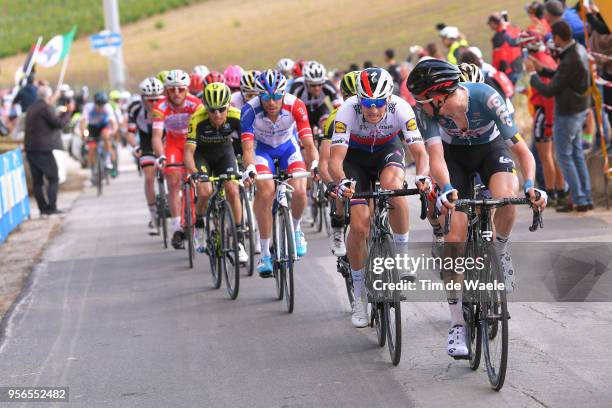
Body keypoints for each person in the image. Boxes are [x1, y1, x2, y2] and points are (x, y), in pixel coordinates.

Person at [406, 59, 546, 356]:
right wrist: (446, 190)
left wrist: (532, 184)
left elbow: (522, 150)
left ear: (440, 94)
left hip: (490, 152)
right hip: (453, 157)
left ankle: (500, 249)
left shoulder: (486, 97)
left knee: (507, 198)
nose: (419, 104)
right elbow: (436, 157)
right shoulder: (428, 112)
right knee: (455, 238)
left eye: (422, 99)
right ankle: (457, 324)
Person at [329, 68, 430, 327]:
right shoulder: (347, 111)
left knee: (394, 190)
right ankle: (360, 298)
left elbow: (420, 153)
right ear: (358, 100)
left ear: (389, 99)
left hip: (387, 151)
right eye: (367, 103)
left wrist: (422, 177)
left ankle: (402, 256)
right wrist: (342, 183)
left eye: (378, 104)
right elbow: (336, 160)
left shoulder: (402, 108)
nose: (373, 110)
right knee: (360, 225)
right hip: (355, 160)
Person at [240, 70, 319, 276]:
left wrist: (316, 164)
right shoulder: (249, 110)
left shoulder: (296, 105)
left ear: (283, 94)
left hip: (288, 148)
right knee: (266, 192)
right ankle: (265, 253)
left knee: (300, 188)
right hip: (262, 150)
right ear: (259, 96)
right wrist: (249, 169)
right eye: (265, 96)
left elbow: (308, 144)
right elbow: (247, 148)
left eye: (276, 96)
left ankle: (296, 229)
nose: (271, 101)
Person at [525, 20, 593, 212]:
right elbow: (562, 76)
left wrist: (532, 75)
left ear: (556, 36)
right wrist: (543, 69)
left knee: (564, 156)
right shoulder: (577, 50)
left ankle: (578, 199)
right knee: (577, 154)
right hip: (579, 109)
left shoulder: (571, 57)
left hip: (568, 112)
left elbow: (549, 90)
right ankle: (584, 197)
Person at [185, 82, 248, 262]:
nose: (217, 114)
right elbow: (188, 152)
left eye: (221, 109)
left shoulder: (237, 116)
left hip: (224, 153)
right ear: (206, 107)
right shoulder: (197, 119)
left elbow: (247, 145)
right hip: (202, 156)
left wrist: (247, 165)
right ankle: (199, 224)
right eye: (212, 110)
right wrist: (194, 173)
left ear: (229, 104)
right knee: (204, 191)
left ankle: (239, 241)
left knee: (233, 190)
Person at [152, 69, 203, 249]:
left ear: (187, 89)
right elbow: (157, 136)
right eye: (172, 90)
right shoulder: (161, 107)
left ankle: (193, 218)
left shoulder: (196, 104)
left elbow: (202, 131)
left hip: (192, 142)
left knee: (193, 179)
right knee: (173, 181)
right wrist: (162, 157)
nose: (176, 94)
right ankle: (176, 228)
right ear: (166, 90)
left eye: (180, 89)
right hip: (173, 142)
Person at [518, 31, 566, 206]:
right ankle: (559, 191)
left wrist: (548, 122)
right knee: (552, 156)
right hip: (546, 111)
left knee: (547, 156)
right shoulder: (544, 58)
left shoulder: (537, 62)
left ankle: (552, 192)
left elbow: (548, 95)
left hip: (545, 112)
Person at [320, 71, 359, 256]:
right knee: (341, 190)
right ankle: (338, 227)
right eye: (349, 97)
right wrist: (331, 185)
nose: (354, 102)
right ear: (342, 97)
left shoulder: (374, 111)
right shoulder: (335, 118)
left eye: (357, 96)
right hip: (343, 159)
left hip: (365, 156)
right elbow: (325, 160)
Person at [24, 85, 73, 215]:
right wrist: (68, 112)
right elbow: (58, 124)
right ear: (49, 96)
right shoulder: (45, 108)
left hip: (30, 148)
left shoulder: (32, 107)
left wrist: (62, 113)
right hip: (42, 149)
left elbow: (51, 120)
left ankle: (43, 208)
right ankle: (51, 207)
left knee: (37, 181)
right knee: (53, 177)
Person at [127, 77, 165, 232]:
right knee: (149, 177)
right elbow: (129, 133)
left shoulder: (166, 105)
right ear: (142, 98)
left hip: (165, 138)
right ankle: (154, 214)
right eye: (150, 100)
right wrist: (135, 146)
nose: (154, 103)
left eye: (157, 99)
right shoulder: (135, 109)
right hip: (146, 142)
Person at [289, 61, 342, 132]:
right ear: (306, 82)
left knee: (328, 129)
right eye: (313, 85)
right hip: (302, 111)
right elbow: (290, 109)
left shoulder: (328, 85)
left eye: (320, 84)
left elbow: (338, 108)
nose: (317, 88)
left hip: (320, 109)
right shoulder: (297, 86)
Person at [80, 92, 118, 178]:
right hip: (92, 127)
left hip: (104, 126)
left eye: (102, 105)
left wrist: (112, 132)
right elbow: (83, 122)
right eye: (99, 105)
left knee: (106, 137)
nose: (101, 107)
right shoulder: (88, 107)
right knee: (91, 148)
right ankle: (93, 169)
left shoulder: (108, 107)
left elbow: (113, 123)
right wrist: (83, 133)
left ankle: (108, 161)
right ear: (95, 103)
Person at [487, 12, 524, 84]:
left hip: (508, 70)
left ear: (493, 23)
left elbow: (500, 57)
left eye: (490, 23)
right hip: (519, 65)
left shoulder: (498, 37)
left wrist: (499, 73)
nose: (490, 26)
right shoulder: (515, 29)